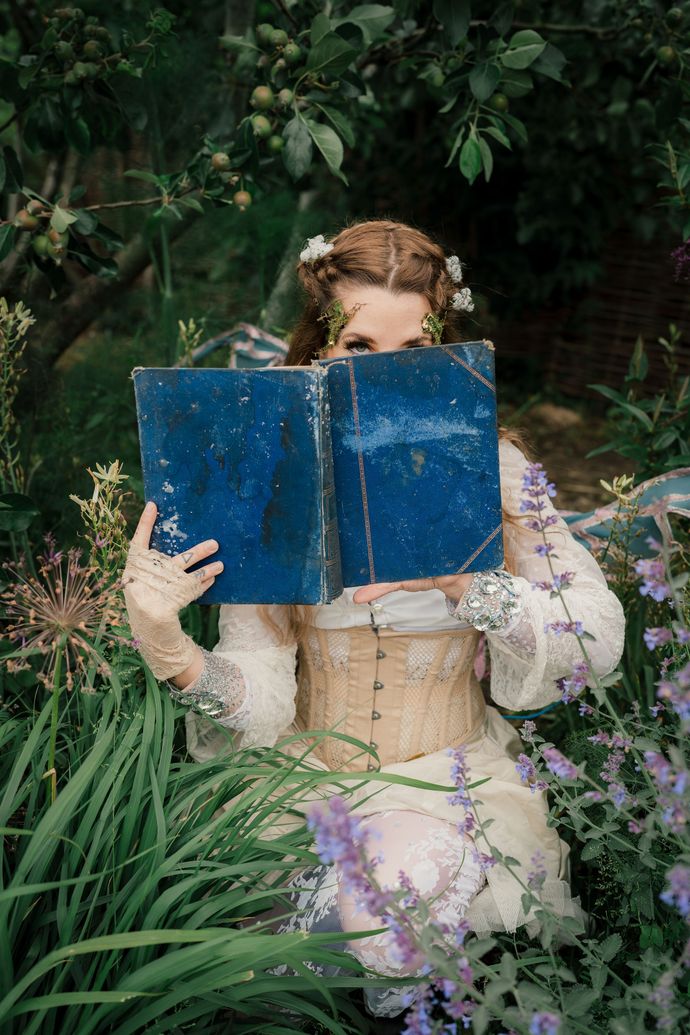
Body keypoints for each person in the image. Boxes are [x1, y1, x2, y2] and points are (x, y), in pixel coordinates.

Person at [122, 219, 626, 1017]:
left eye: (411, 350)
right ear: (319, 350)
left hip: (444, 782)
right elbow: (263, 692)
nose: (381, 375)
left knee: (379, 909)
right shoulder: (278, 474)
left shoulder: (495, 469)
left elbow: (594, 637)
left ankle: (359, 964)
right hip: (299, 781)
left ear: (442, 350)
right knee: (284, 942)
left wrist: (468, 584)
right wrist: (168, 644)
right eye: (358, 346)